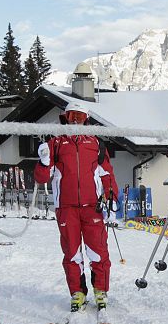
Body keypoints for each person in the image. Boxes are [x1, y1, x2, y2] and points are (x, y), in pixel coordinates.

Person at [34, 102, 120, 313]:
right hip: (66, 207)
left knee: (98, 250)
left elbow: (106, 173)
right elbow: (42, 177)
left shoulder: (96, 144)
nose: (75, 120)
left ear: (86, 119)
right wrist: (44, 161)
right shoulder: (55, 143)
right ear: (65, 117)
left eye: (80, 116)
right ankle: (77, 292)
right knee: (71, 251)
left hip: (93, 207)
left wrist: (111, 197)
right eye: (72, 115)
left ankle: (101, 290)